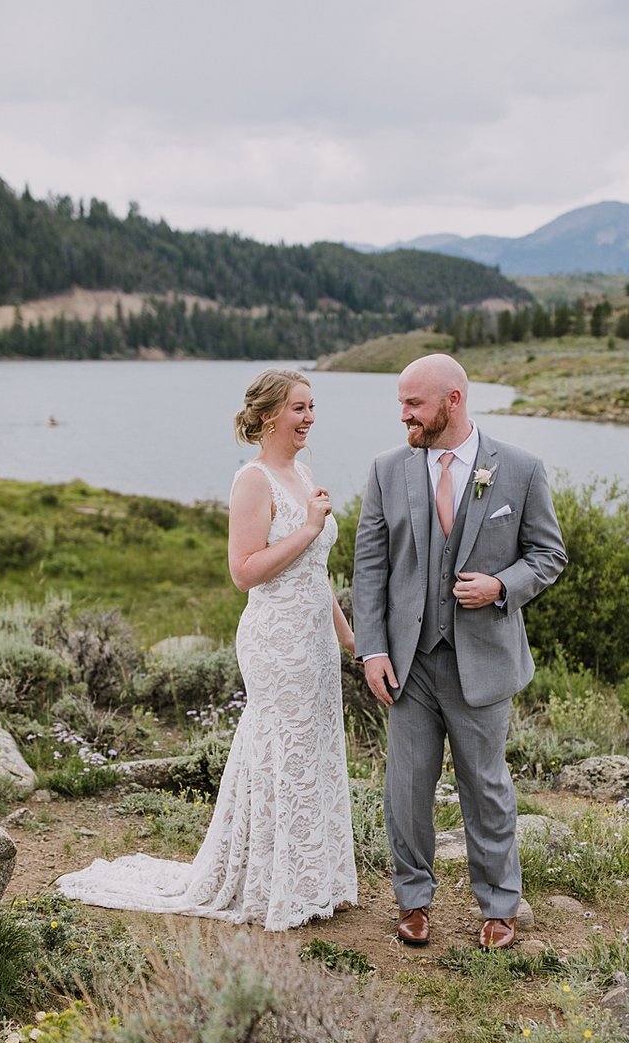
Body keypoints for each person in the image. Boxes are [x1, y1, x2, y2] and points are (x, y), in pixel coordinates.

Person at [56, 369, 358, 930]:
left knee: (314, 748)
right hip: (276, 639)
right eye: (298, 408)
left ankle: (315, 880)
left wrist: (345, 633)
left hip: (315, 637)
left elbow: (316, 572)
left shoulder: (303, 472)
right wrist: (309, 528)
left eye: (312, 406)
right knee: (280, 748)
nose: (310, 417)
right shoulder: (254, 480)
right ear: (269, 415)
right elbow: (244, 573)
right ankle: (269, 885)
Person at [352, 353, 566, 950]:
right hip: (408, 661)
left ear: (452, 400)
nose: (403, 416)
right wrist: (371, 650)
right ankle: (413, 901)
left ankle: (499, 906)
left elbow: (548, 555)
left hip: (484, 662)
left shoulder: (520, 470)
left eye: (413, 404)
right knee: (407, 788)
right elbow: (369, 567)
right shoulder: (386, 471)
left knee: (485, 786)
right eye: (400, 404)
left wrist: (501, 586)